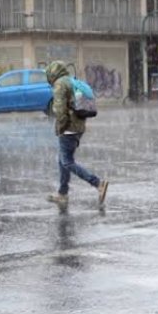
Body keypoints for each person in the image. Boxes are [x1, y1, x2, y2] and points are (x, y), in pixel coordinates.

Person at [45, 61, 109, 209]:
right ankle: (63, 193)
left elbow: (60, 110)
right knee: (63, 160)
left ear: (53, 73)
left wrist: (60, 128)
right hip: (79, 126)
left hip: (69, 128)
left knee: (67, 161)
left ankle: (98, 183)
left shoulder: (60, 84)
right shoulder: (71, 81)